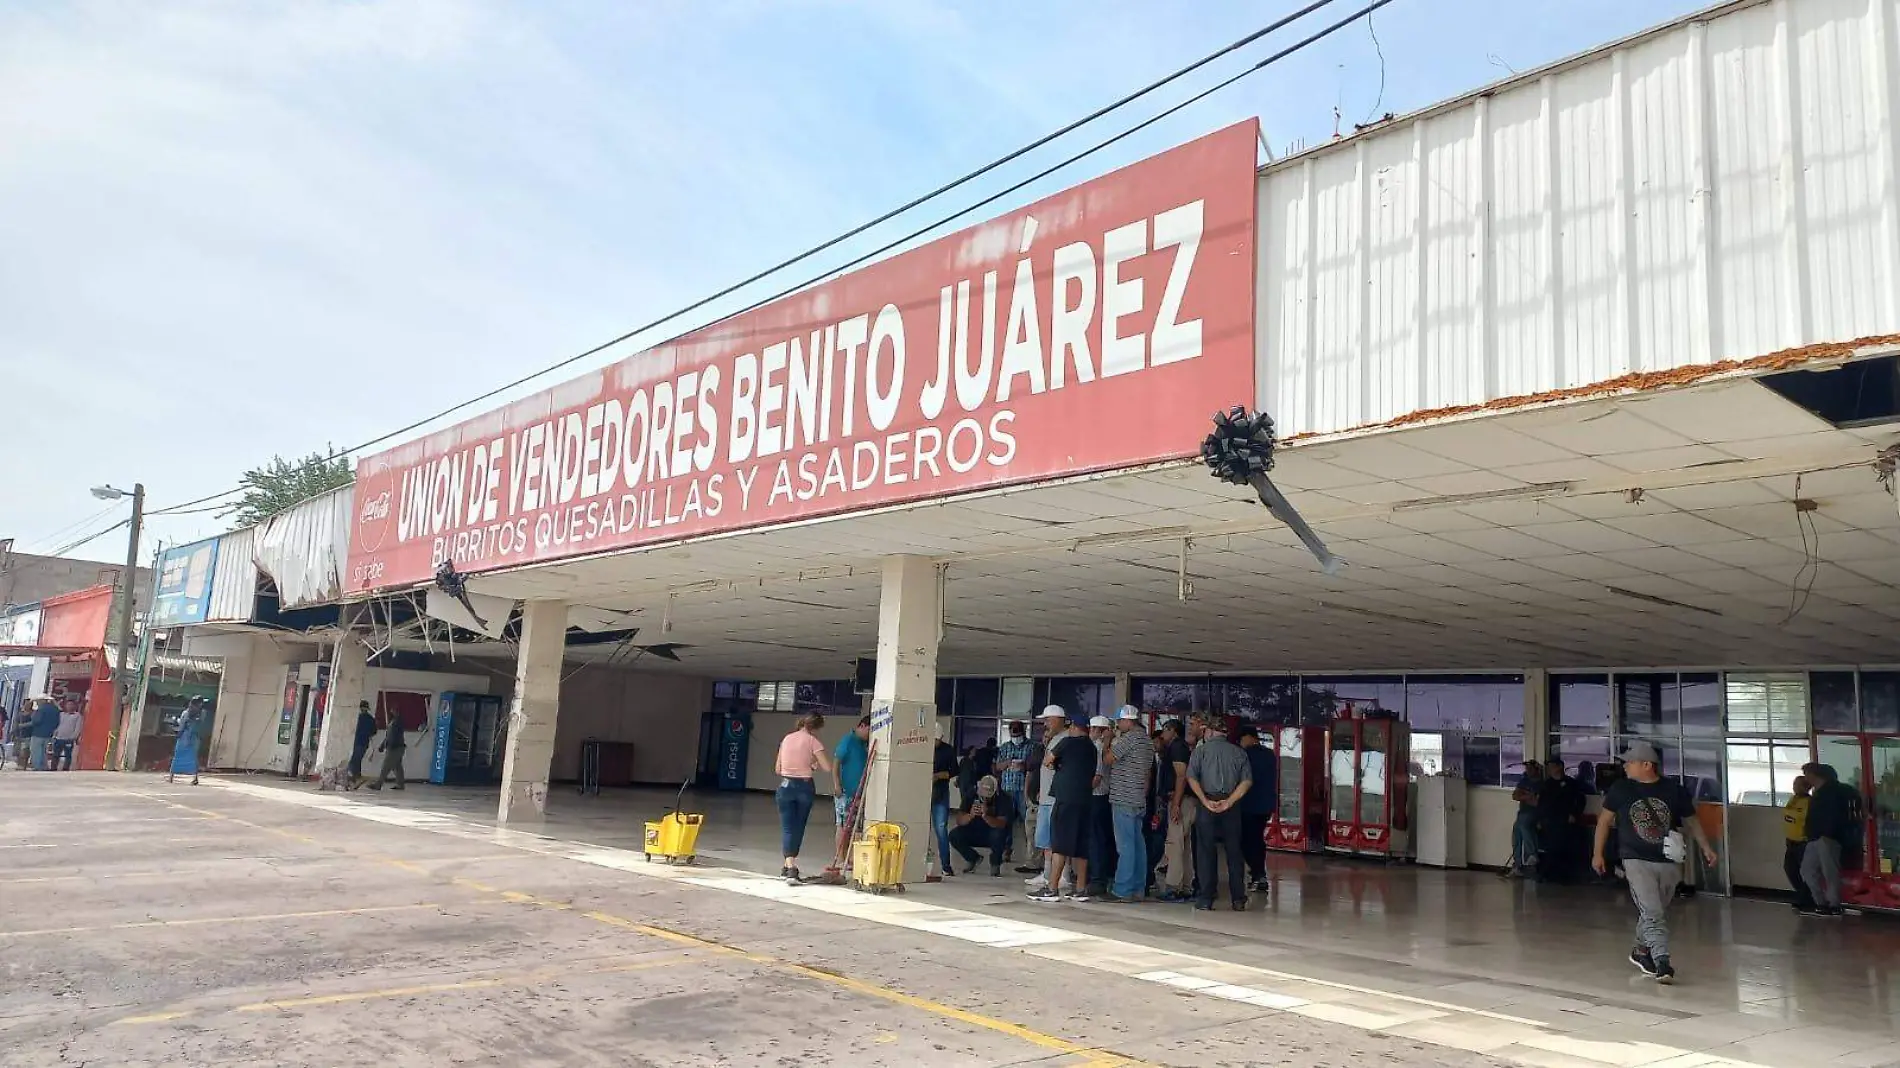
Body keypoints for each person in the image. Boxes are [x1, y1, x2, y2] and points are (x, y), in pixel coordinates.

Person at [1593, 742, 1718, 984]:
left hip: (1668, 859)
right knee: (1652, 911)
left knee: (1656, 911)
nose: (1625, 766)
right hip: (1634, 859)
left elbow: (1691, 821)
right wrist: (1597, 853)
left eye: (1630, 762)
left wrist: (1706, 848)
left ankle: (1640, 950)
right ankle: (1662, 962)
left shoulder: (1674, 790)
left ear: (1647, 765)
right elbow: (1603, 822)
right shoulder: (1620, 789)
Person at [1187, 714, 1253, 911]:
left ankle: (1206, 898)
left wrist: (1204, 800)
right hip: (1231, 806)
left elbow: (1191, 778)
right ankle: (1238, 899)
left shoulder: (1200, 752)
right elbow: (1247, 781)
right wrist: (1229, 802)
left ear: (1210, 731)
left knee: (1206, 851)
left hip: (1207, 804)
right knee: (1234, 852)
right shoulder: (1239, 752)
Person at [1028, 715, 1094, 903]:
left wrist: (1059, 763)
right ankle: (1081, 889)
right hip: (1085, 800)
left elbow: (1048, 761)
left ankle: (1052, 888)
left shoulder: (1066, 742)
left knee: (1060, 844)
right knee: (1081, 847)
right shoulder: (1091, 747)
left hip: (1066, 800)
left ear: (1073, 726)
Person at [773, 712, 835, 882]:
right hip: (804, 787)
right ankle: (791, 867)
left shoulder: (786, 739)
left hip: (785, 786)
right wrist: (812, 762)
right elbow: (827, 767)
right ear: (815, 727)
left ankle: (787, 866)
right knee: (798, 826)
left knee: (787, 827)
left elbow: (778, 769)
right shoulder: (813, 741)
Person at [1102, 706, 1152, 902]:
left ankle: (1122, 890)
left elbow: (1108, 759)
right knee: (1138, 845)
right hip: (1138, 797)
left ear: (1128, 721)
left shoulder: (1129, 738)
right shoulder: (1146, 740)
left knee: (1125, 846)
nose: (1117, 725)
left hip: (1124, 797)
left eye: (1118, 722)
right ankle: (1138, 888)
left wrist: (1107, 741)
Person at [1801, 762, 1859, 918]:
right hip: (1816, 837)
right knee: (1807, 870)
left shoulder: (1833, 792)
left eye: (1807, 774)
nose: (1805, 778)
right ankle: (1822, 902)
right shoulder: (1819, 792)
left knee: (1829, 871)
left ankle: (1832, 904)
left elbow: (1837, 815)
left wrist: (1829, 832)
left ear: (1815, 775)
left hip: (1828, 837)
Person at [1023, 706, 1069, 892]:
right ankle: (1048, 872)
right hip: (1046, 797)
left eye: (1048, 720)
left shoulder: (1064, 740)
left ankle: (1062, 875)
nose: (1045, 724)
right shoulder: (1054, 739)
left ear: (1058, 719)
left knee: (1056, 839)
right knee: (1045, 840)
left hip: (1054, 798)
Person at [1155, 719, 1195, 901]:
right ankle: (1185, 886)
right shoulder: (1178, 747)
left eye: (1165, 730)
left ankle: (1173, 887)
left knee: (1175, 843)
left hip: (1181, 801)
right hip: (1184, 800)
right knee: (1184, 846)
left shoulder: (1178, 748)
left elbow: (1181, 776)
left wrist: (1176, 804)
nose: (1162, 735)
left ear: (1173, 730)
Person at [1237, 726, 1278, 894]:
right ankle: (1258, 874)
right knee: (1257, 840)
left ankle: (1258, 874)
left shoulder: (1245, 755)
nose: (1240, 743)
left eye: (1241, 739)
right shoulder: (1269, 754)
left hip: (1248, 805)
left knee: (1247, 841)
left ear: (1250, 737)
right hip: (1265, 806)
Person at [950, 774, 1016, 876]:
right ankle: (973, 858)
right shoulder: (971, 794)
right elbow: (959, 820)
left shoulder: (1004, 798)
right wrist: (970, 815)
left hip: (992, 832)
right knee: (954, 835)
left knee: (999, 834)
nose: (985, 799)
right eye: (982, 796)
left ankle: (995, 863)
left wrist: (986, 816)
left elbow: (1002, 823)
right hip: (974, 830)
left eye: (988, 796)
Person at [1536, 759, 1586, 883]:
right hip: (1549, 821)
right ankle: (1548, 875)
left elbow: (1580, 800)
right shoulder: (1546, 784)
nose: (1549, 769)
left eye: (1552, 766)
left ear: (1560, 767)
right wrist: (1539, 819)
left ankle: (1564, 877)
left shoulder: (1571, 784)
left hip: (1565, 821)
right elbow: (1541, 804)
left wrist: (1574, 814)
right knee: (1550, 848)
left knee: (1564, 848)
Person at [1086, 714, 1116, 896]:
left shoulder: (1097, 749)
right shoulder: (1108, 749)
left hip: (1096, 797)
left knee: (1095, 841)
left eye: (1095, 729)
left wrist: (1080, 790)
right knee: (1103, 840)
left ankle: (1097, 879)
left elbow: (1096, 778)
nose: (1092, 732)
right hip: (1105, 799)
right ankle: (1103, 876)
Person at [995, 721, 1033, 863]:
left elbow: (1035, 765)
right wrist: (1006, 763)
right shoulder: (1004, 747)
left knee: (1028, 822)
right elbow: (997, 766)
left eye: (1018, 732)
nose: (1015, 735)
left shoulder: (1031, 746)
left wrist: (1024, 766)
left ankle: (1031, 852)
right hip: (1007, 790)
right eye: (1013, 732)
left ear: (1023, 731)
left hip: (1025, 790)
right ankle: (1006, 849)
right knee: (1006, 822)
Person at [1502, 761, 1544, 877]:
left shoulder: (1542, 784)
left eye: (1530, 768)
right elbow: (1515, 796)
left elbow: (1537, 802)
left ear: (1537, 770)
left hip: (1535, 813)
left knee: (1524, 826)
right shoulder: (1524, 781)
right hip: (1523, 812)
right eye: (1527, 768)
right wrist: (1528, 796)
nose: (1528, 771)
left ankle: (1532, 855)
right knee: (1516, 833)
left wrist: (1524, 796)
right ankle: (1518, 863)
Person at [1782, 775, 1817, 914]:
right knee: (1789, 869)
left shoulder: (1809, 802)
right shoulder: (1793, 799)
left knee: (1807, 872)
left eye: (1796, 784)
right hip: (1791, 841)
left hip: (1803, 842)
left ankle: (1807, 899)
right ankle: (1803, 895)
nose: (1794, 786)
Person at [931, 724, 958, 879]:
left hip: (940, 793)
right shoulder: (923, 748)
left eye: (937, 740)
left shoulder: (948, 750)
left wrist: (940, 775)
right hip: (922, 793)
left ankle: (946, 866)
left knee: (941, 829)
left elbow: (955, 770)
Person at [367, 709, 409, 791]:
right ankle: (400, 784)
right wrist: (383, 745)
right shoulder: (393, 722)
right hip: (396, 747)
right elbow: (388, 735)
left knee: (386, 766)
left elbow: (391, 736)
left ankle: (378, 784)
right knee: (397, 767)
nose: (392, 712)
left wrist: (385, 745)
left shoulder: (397, 722)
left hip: (395, 748)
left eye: (394, 710)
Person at [168, 698, 206, 785]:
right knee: (193, 758)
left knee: (178, 756)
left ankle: (171, 777)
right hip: (195, 737)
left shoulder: (186, 713)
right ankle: (195, 778)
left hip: (184, 737)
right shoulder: (202, 713)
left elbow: (181, 725)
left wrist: (178, 734)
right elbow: (200, 724)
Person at [348, 701, 377, 788]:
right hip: (364, 743)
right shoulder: (371, 719)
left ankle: (356, 779)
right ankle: (356, 779)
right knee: (357, 761)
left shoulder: (358, 718)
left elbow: (352, 729)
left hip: (357, 742)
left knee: (353, 762)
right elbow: (374, 731)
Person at [51, 696, 84, 772]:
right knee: (56, 754)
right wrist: (55, 734)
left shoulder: (77, 716)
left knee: (68, 755)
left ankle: (65, 769)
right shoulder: (61, 714)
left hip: (69, 739)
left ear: (75, 706)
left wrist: (74, 737)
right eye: (68, 705)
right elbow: (58, 724)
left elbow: (78, 728)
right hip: (59, 738)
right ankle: (53, 768)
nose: (69, 706)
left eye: (71, 705)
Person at [29, 696, 60, 770]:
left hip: (38, 733)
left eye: (37, 701)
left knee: (36, 751)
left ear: (42, 701)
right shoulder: (55, 709)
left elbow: (36, 721)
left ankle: (37, 766)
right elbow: (57, 722)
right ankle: (44, 766)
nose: (37, 703)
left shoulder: (41, 709)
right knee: (44, 751)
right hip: (49, 734)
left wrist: (33, 716)